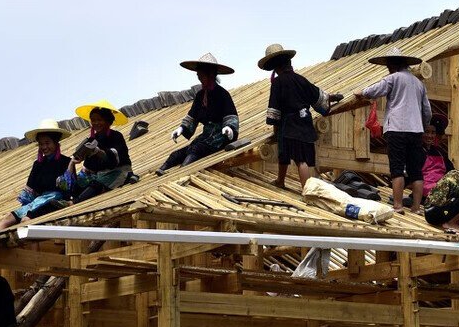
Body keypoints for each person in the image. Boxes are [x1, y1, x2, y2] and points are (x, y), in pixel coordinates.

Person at [352, 46, 431, 214]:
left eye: (388, 65)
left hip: (396, 128)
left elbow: (375, 90)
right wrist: (421, 126)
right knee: (415, 171)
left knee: (397, 168)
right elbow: (427, 112)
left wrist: (361, 92)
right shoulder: (419, 84)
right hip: (415, 131)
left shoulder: (393, 78)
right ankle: (416, 208)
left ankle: (398, 205)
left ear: (393, 65)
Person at [261, 43, 343, 188]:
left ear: (275, 67)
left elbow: (274, 106)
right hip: (304, 123)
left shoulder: (278, 82)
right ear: (288, 62)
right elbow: (317, 95)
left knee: (288, 156)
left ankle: (295, 186)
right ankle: (292, 185)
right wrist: (332, 97)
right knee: (301, 159)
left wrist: (274, 124)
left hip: (288, 126)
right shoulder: (300, 79)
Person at [157, 53, 241, 175]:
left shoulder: (223, 94)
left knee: (196, 149)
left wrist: (229, 128)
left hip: (219, 137)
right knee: (180, 152)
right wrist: (181, 128)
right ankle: (162, 169)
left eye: (201, 76)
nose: (199, 79)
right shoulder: (200, 95)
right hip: (206, 136)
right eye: (199, 76)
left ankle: (181, 172)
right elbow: (193, 116)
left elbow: (231, 115)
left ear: (211, 75)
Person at [0, 119, 71, 233]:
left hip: (54, 201)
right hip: (37, 201)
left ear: (55, 142)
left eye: (47, 143)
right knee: (9, 217)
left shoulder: (66, 161)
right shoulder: (38, 164)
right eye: (41, 144)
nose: (44, 147)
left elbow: (69, 188)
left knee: (26, 219)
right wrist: (24, 209)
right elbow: (31, 190)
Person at [61, 101, 133, 203]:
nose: (96, 123)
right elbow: (89, 166)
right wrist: (74, 161)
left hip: (118, 172)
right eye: (93, 120)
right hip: (98, 175)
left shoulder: (116, 136)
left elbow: (114, 160)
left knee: (97, 184)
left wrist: (98, 151)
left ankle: (73, 203)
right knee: (77, 185)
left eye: (100, 120)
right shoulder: (91, 140)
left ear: (108, 121)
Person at [421, 114, 454, 195]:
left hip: (442, 186)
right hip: (425, 189)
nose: (430, 136)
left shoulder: (440, 153)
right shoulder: (416, 151)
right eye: (427, 132)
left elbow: (451, 171)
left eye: (433, 133)